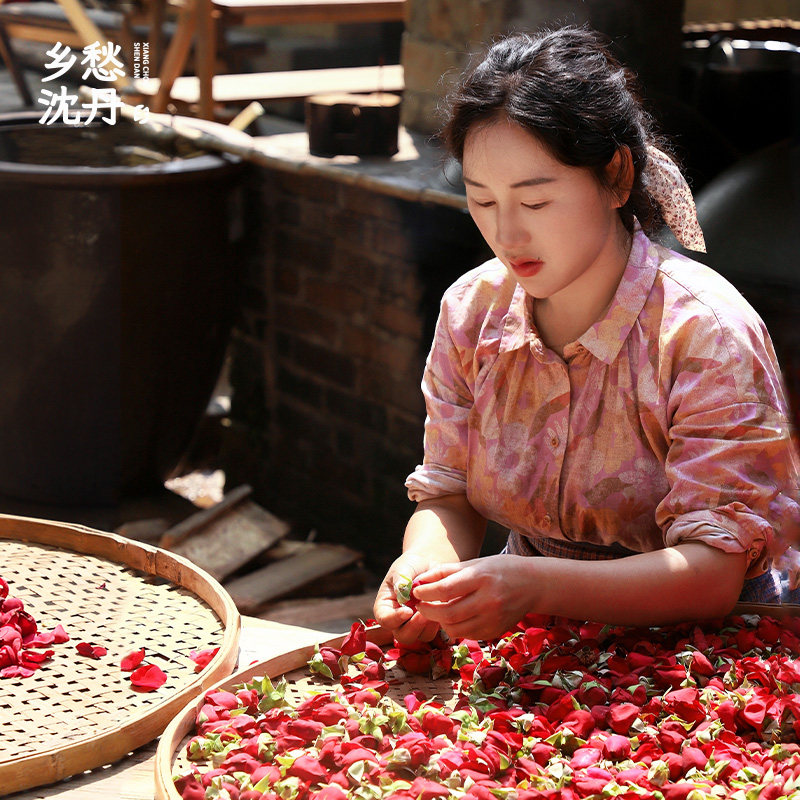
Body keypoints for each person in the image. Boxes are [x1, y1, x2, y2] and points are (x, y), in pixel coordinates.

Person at [373, 26, 800, 643]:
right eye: (482, 201)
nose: (507, 235)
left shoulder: (705, 333)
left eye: (535, 203)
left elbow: (713, 573)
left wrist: (534, 584)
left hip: (709, 654)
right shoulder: (471, 311)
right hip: (539, 637)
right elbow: (449, 492)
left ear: (617, 176)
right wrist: (423, 567)